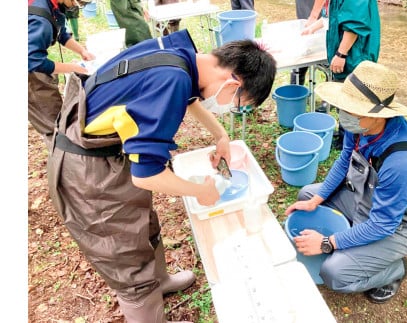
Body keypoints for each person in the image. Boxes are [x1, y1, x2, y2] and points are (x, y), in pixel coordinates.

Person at [47, 29, 276, 322]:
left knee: (141, 221)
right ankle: (144, 296)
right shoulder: (172, 81)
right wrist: (201, 192)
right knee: (125, 254)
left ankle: (160, 281)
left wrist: (220, 134)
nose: (231, 109)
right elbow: (147, 176)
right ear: (233, 84)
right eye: (238, 105)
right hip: (86, 169)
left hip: (106, 148)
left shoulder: (187, 59)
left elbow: (190, 98)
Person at [284, 61, 407, 304]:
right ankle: (354, 238)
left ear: (377, 114)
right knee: (306, 195)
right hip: (364, 198)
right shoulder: (360, 126)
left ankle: (395, 270)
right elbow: (345, 160)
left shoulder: (403, 161)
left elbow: (383, 224)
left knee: (333, 274)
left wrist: (327, 243)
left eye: (351, 109)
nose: (343, 114)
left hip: (397, 226)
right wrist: (317, 198)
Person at [302, 0, 381, 148]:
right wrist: (313, 27)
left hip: (355, 54)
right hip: (350, 53)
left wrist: (341, 54)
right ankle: (344, 135)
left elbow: (354, 24)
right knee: (343, 95)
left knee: (352, 98)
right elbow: (335, 16)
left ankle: (351, 141)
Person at [28, 0, 95, 148]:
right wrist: (72, 67)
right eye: (78, 2)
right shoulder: (40, 20)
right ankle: (62, 162)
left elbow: (60, 32)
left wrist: (82, 51)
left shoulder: (53, 7)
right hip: (29, 72)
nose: (77, 6)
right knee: (53, 122)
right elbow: (32, 61)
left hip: (32, 64)